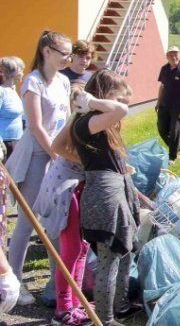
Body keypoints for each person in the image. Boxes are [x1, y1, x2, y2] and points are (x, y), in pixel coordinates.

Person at [5, 30, 72, 306]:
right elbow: (35, 125)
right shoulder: (33, 82)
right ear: (47, 52)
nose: (68, 58)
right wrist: (55, 153)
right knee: (27, 221)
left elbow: (65, 121)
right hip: (35, 156)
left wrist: (67, 151)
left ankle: (58, 280)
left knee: (54, 220)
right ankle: (14, 282)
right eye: (64, 53)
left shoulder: (64, 82)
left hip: (56, 155)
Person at [71, 69, 139, 326]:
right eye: (116, 96)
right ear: (102, 95)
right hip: (104, 195)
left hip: (116, 188)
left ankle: (120, 306)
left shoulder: (100, 122)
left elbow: (121, 110)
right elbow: (121, 110)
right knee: (109, 257)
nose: (122, 102)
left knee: (126, 250)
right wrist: (91, 101)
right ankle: (105, 319)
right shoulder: (86, 121)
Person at [35, 84, 92, 325]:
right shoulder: (78, 122)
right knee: (69, 251)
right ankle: (63, 309)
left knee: (82, 248)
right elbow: (58, 148)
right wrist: (90, 162)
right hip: (63, 190)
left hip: (75, 187)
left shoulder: (89, 120)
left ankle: (75, 301)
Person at [155, 46, 180, 162]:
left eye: (176, 54)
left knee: (175, 131)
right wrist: (158, 101)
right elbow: (162, 86)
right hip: (164, 103)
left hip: (177, 105)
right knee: (161, 128)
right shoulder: (164, 69)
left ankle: (172, 156)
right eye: (171, 55)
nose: (174, 57)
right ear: (167, 57)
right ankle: (176, 147)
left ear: (179, 55)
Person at [0, 56, 25, 160]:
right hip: (4, 144)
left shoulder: (12, 89)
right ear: (15, 73)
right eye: (21, 70)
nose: (23, 73)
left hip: (16, 143)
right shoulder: (1, 91)